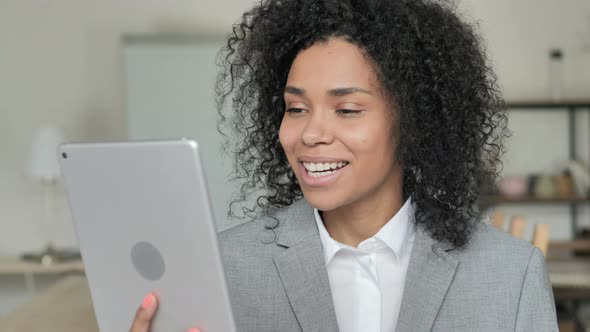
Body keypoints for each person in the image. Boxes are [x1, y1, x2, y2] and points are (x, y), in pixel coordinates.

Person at [130, 0, 558, 331]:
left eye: (347, 109)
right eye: (296, 108)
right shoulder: (223, 269)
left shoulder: (509, 274)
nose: (310, 133)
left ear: (413, 121)